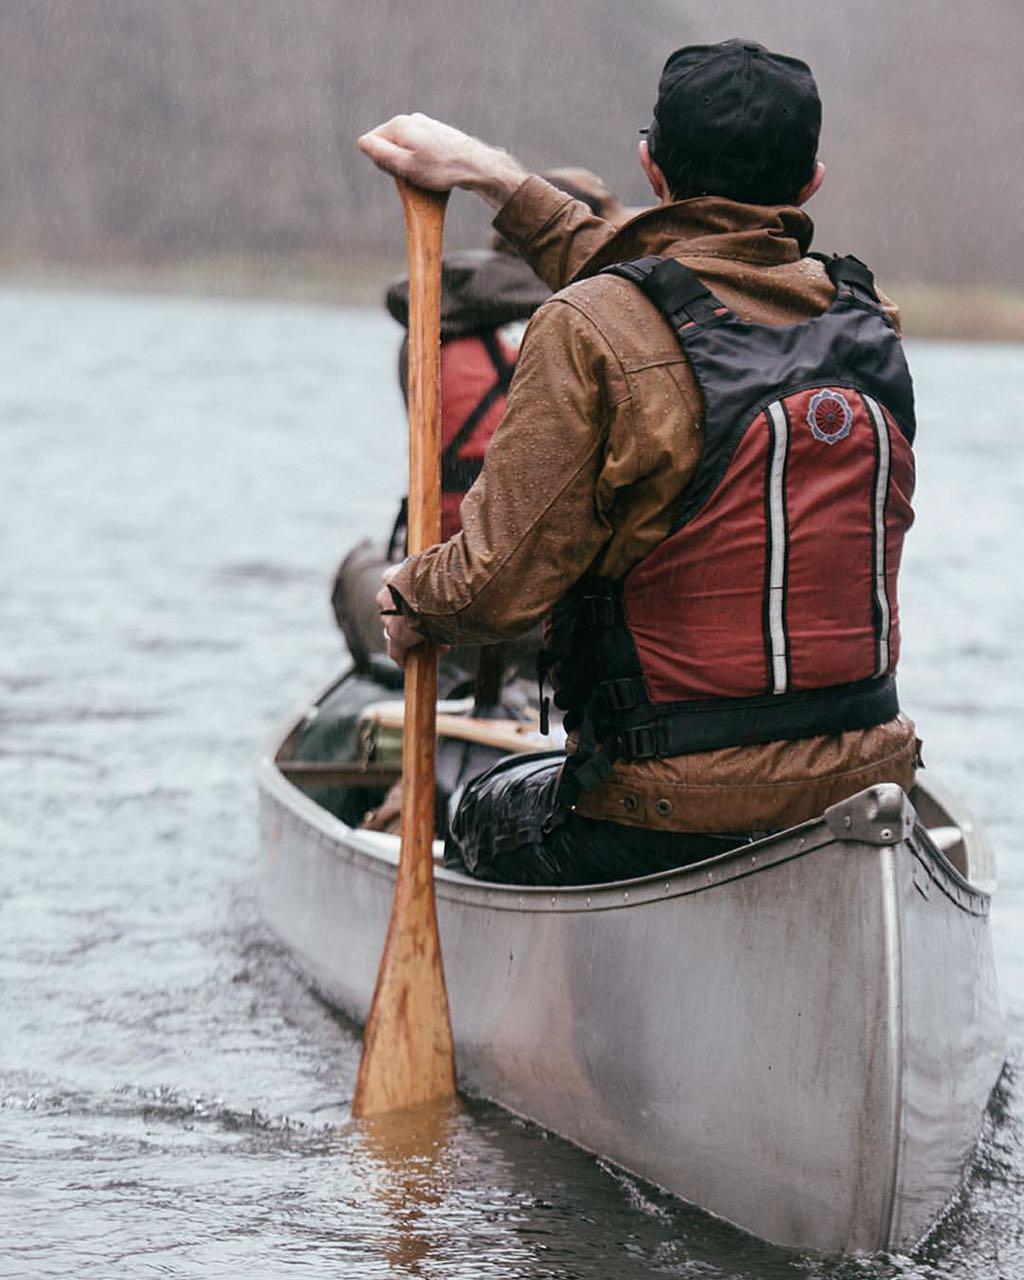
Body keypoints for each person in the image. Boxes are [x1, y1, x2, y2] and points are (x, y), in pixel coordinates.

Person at [358, 38, 920, 886]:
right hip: (863, 777)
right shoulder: (873, 318)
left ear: (650, 166)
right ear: (812, 183)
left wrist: (410, 600)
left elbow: (496, 583)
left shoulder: (586, 329)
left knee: (478, 808)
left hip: (663, 809)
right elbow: (681, 279)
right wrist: (491, 176)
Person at [331, 168, 627, 682]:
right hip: (567, 615)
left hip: (455, 604)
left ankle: (407, 680)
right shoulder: (606, 329)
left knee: (358, 569)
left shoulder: (431, 330)